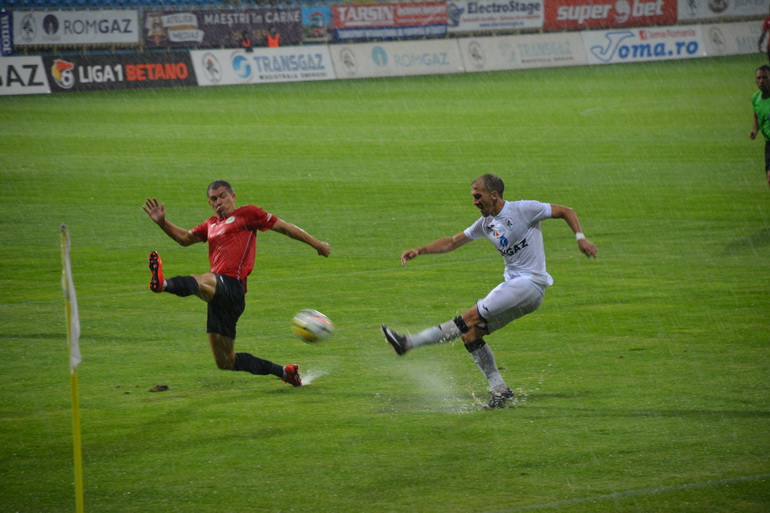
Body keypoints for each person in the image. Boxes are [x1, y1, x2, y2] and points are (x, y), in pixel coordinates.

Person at [381, 174, 597, 409]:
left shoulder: (524, 209)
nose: (474, 201)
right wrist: (419, 250)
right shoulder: (486, 224)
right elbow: (453, 242)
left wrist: (581, 238)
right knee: (470, 334)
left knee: (470, 317)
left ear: (494, 195)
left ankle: (408, 343)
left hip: (529, 284)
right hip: (519, 290)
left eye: (478, 196)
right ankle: (500, 390)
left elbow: (566, 210)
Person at [143, 180, 331, 387]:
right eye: (214, 199)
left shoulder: (248, 214)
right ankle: (286, 372)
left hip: (232, 286)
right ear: (209, 203)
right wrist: (162, 223)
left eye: (222, 196)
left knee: (199, 280)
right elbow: (185, 238)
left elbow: (284, 227)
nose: (219, 202)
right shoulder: (211, 225)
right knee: (226, 361)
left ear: (233, 196)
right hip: (219, 296)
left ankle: (164, 285)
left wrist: (317, 244)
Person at [750, 65, 770, 188]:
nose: (761, 81)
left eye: (765, 77)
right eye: (758, 78)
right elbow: (756, 115)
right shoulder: (756, 98)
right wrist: (755, 130)